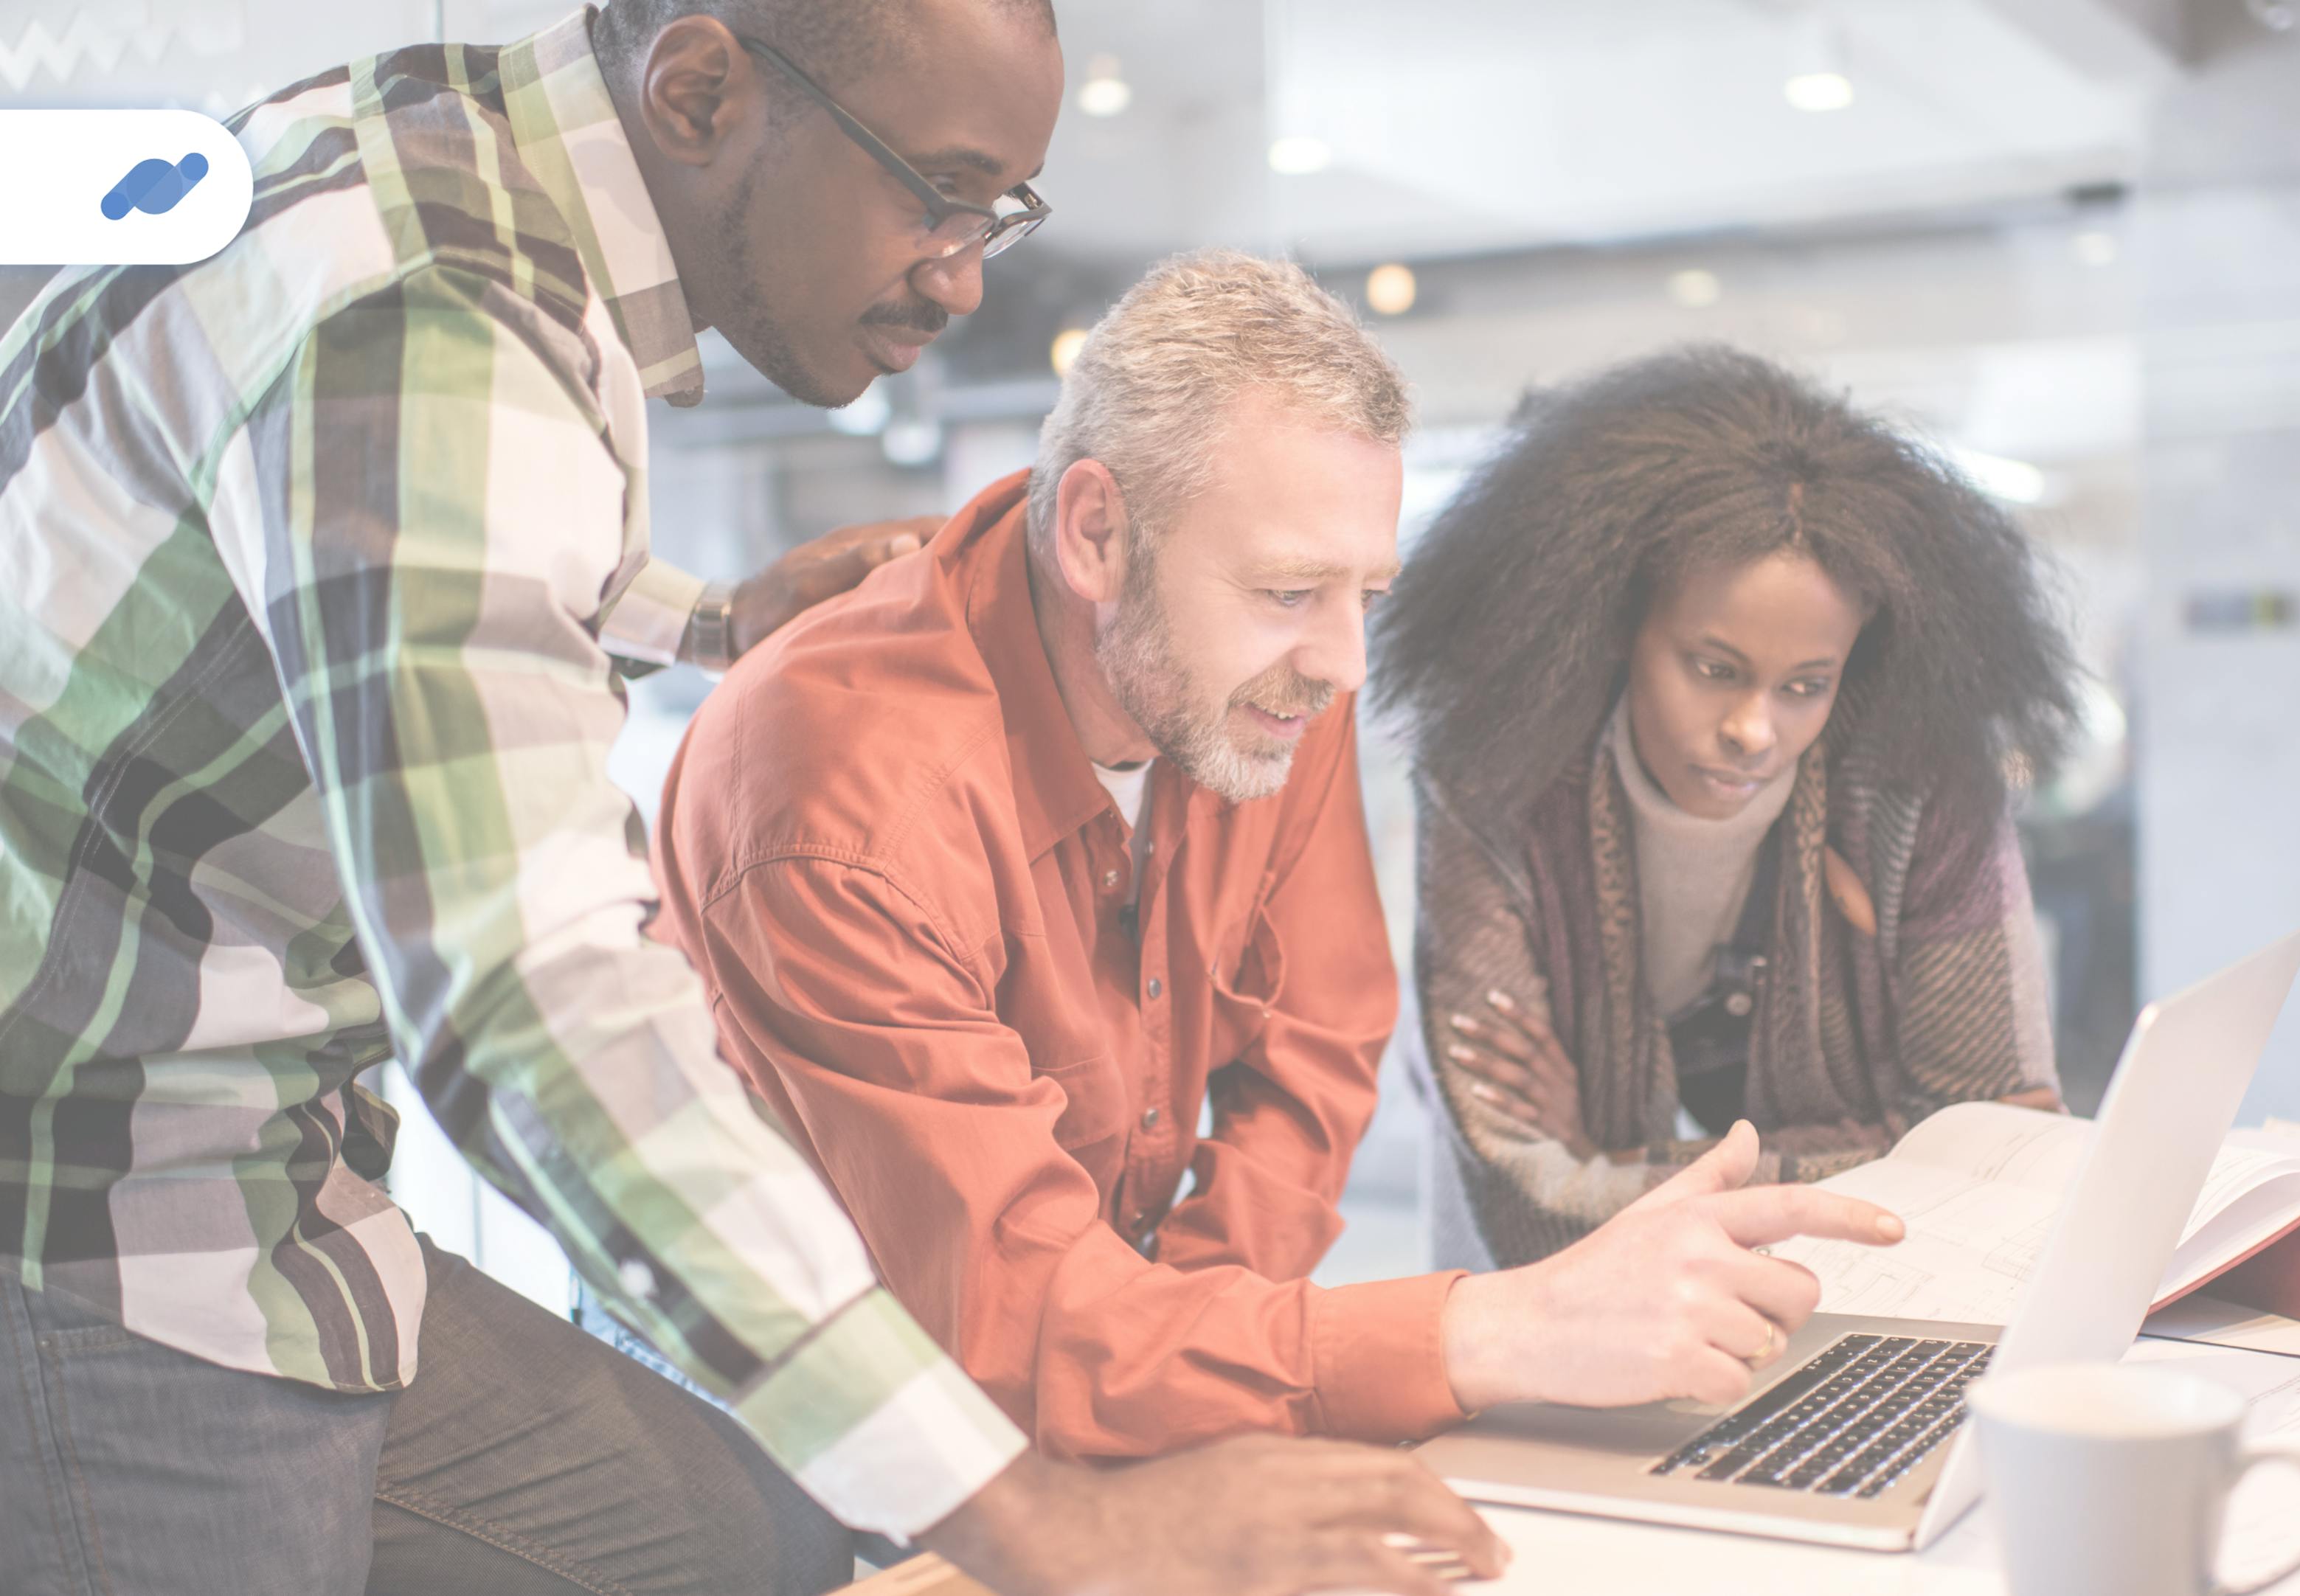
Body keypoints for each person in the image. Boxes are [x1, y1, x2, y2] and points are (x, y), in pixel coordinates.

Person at [0, 5, 1505, 1595]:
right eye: (934, 190)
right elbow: (532, 1005)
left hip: (278, 1169)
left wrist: (697, 618)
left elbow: (351, 539)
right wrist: (1041, 1515)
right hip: (107, 1193)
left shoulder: (438, 168)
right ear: (701, 89)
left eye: (998, 211)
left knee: (735, 1541)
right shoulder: (440, 318)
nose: (962, 271)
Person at [653, 249, 1907, 1463]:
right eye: (1291, 590)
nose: (1347, 668)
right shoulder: (838, 809)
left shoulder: (1264, 675)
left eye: (1365, 594)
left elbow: (1317, 1036)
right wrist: (1489, 1326)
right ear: (1095, 534)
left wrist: (1178, 1355)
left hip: (1081, 1378)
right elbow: (1010, 1316)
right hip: (797, 1447)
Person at [1368, 345, 2078, 1270]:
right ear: (1620, 622)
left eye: (1805, 685)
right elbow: (1526, 1209)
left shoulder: (1920, 774)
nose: (1755, 729)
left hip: (1869, 1309)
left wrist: (1610, 1161)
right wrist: (1892, 1148)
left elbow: (1999, 1167)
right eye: (1714, 670)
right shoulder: (1497, 775)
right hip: (1559, 1330)